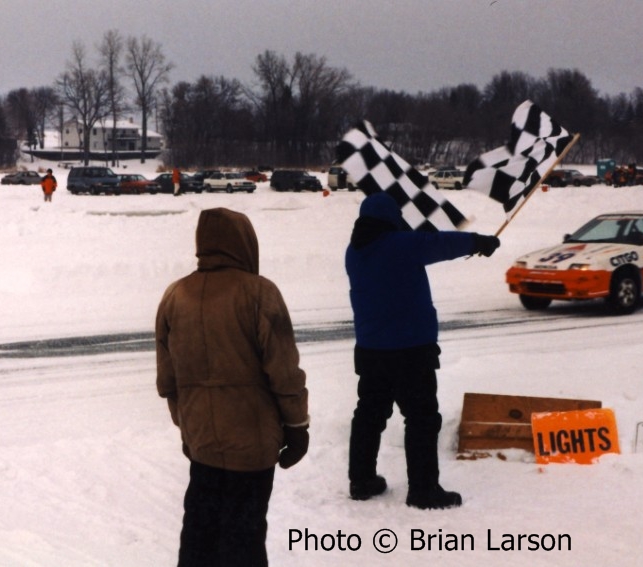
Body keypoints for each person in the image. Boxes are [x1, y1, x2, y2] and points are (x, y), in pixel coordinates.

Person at [156, 207, 309, 566]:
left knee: (199, 536)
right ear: (244, 244)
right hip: (252, 445)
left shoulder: (175, 295)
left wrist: (188, 429)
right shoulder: (259, 293)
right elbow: (285, 371)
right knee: (244, 538)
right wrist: (297, 427)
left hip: (203, 442)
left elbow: (168, 380)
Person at [345, 191, 500, 510]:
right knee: (421, 419)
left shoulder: (355, 251)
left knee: (369, 415)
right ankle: (423, 490)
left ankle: (361, 481)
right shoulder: (399, 244)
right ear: (390, 217)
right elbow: (439, 244)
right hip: (410, 349)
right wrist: (479, 242)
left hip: (371, 350)